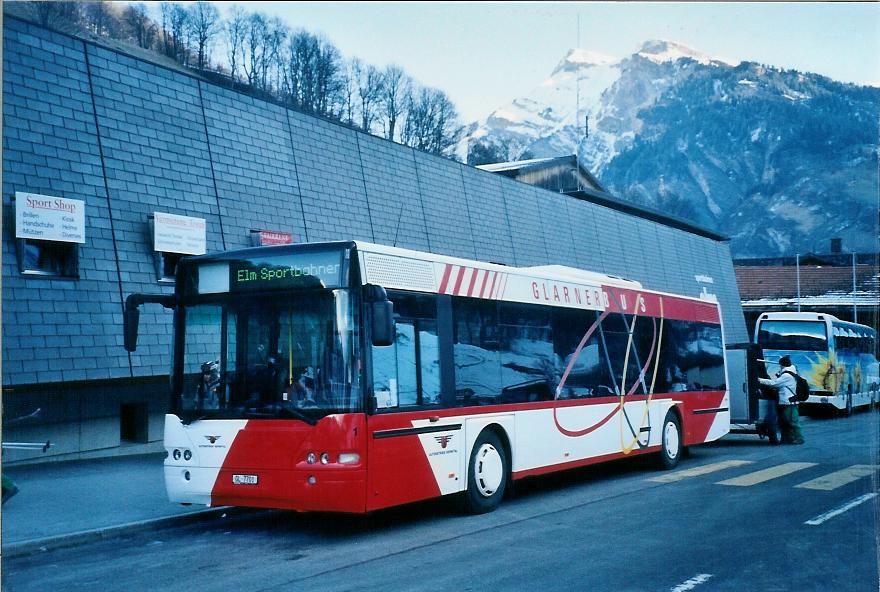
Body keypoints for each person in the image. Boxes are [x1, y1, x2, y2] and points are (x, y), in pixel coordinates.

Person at [758, 355, 805, 445]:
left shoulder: (787, 375)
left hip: (789, 402)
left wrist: (759, 380)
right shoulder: (791, 372)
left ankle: (799, 438)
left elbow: (774, 383)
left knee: (792, 421)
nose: (779, 367)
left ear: (783, 365)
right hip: (788, 401)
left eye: (780, 365)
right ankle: (789, 438)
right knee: (787, 421)